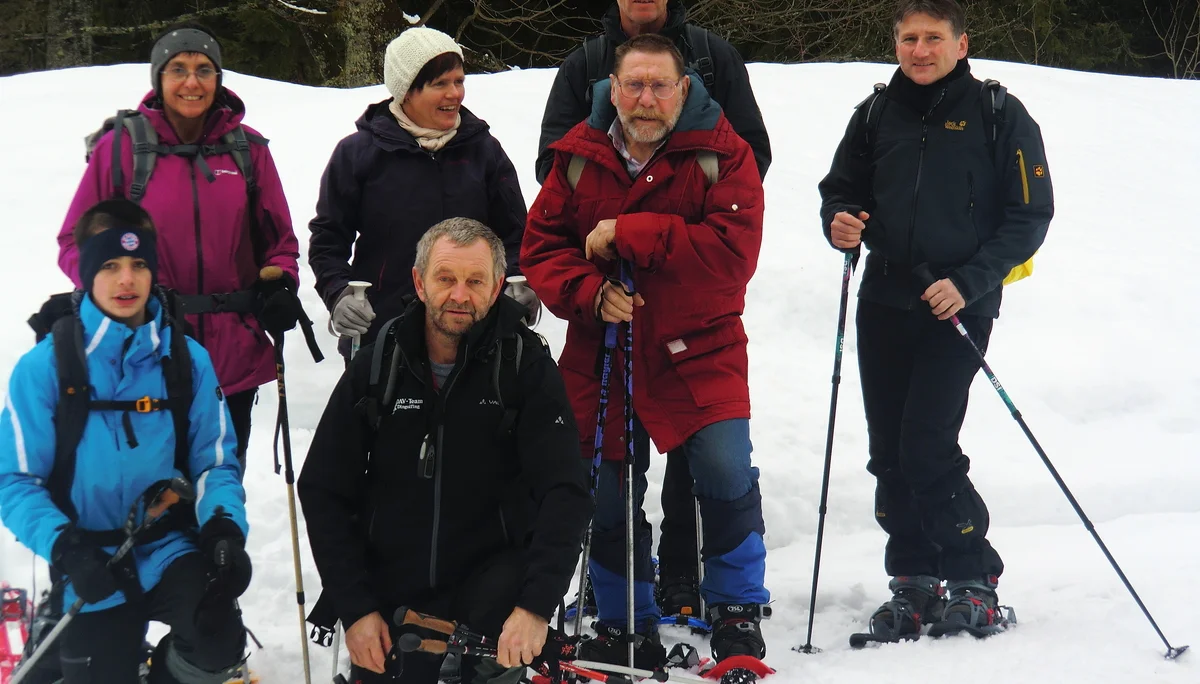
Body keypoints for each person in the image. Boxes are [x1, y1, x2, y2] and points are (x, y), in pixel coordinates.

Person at [522, 34, 769, 667]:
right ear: (612, 89)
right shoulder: (577, 156)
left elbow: (732, 257)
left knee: (723, 468)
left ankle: (737, 608)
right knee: (603, 486)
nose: (646, 98)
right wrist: (586, 291)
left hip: (700, 347)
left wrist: (632, 233)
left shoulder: (724, 154)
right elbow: (541, 250)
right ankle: (623, 615)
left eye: (660, 85)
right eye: (633, 85)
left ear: (684, 89)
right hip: (601, 349)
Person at [817, 0, 1053, 639]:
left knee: (927, 444)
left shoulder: (1000, 115)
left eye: (933, 38)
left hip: (958, 305)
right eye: (909, 38)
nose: (920, 50)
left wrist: (971, 282)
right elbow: (840, 189)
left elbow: (1030, 217)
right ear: (896, 44)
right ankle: (914, 578)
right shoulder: (872, 115)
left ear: (961, 43)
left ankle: (973, 573)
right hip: (885, 302)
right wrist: (839, 221)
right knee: (889, 452)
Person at [298, 218, 590, 683]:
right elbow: (323, 488)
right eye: (445, 278)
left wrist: (535, 606)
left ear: (497, 287)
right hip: (391, 607)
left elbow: (565, 492)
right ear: (419, 281)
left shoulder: (525, 365)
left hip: (495, 602)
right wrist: (355, 609)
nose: (459, 295)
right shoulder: (379, 361)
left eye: (475, 281)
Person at [0, 199, 252, 684]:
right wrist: (66, 549)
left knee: (219, 641)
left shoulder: (186, 359)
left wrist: (223, 529)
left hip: (165, 546)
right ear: (87, 272)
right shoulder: (47, 366)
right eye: (111, 265)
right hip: (89, 561)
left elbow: (214, 462)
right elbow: (15, 480)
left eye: (139, 265)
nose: (126, 280)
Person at [57, 24, 306, 472]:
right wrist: (118, 295)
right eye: (178, 69)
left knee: (220, 479)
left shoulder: (247, 150)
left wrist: (280, 283)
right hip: (144, 349)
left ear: (218, 78)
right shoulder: (122, 148)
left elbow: (280, 243)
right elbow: (75, 244)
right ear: (158, 78)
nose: (192, 82)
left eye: (204, 69)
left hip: (232, 353)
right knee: (150, 488)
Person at [308, 27, 534, 363]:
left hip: (473, 332)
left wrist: (520, 281)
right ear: (406, 92)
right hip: (383, 334)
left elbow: (517, 233)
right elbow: (328, 238)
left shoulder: (484, 150)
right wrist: (339, 293)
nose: (454, 94)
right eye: (439, 84)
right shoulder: (359, 153)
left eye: (459, 81)